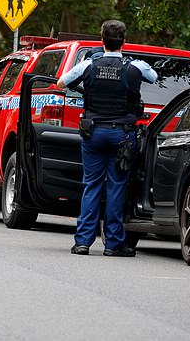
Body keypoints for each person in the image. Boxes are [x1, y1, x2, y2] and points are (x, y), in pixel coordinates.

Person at [56, 20, 157, 257]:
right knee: (116, 188)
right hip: (122, 135)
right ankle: (113, 245)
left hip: (93, 133)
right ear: (124, 41)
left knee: (91, 185)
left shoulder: (89, 64)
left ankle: (82, 242)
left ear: (101, 40)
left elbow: (61, 82)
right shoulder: (135, 66)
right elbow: (153, 77)